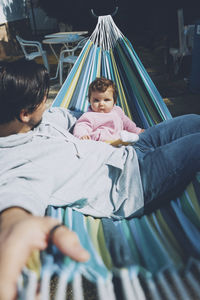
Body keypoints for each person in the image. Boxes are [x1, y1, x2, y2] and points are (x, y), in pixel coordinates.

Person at [0, 59, 199, 299]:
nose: (47, 103)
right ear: (24, 113)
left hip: (131, 148)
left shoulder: (40, 120)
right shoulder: (16, 161)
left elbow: (68, 115)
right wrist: (12, 225)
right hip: (133, 181)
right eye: (44, 99)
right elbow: (16, 198)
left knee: (192, 121)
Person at [73, 77, 144, 144]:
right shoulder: (89, 116)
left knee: (131, 136)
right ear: (89, 101)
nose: (101, 104)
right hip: (102, 142)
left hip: (120, 139)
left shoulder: (117, 111)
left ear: (114, 101)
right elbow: (81, 126)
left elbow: (128, 124)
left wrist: (138, 131)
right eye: (96, 100)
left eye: (106, 100)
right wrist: (82, 135)